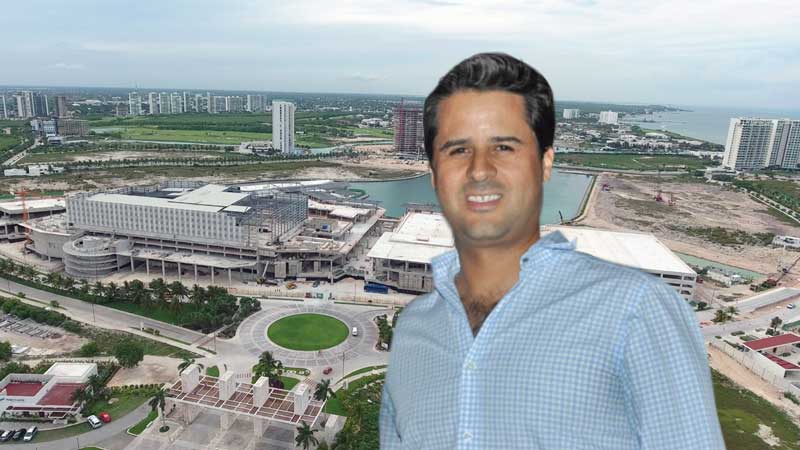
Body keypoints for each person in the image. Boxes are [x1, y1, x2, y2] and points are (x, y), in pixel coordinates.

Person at [379, 53, 724, 449]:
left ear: (545, 163)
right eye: (457, 150)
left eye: (504, 148)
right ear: (435, 174)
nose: (479, 170)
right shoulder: (413, 328)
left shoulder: (635, 310)